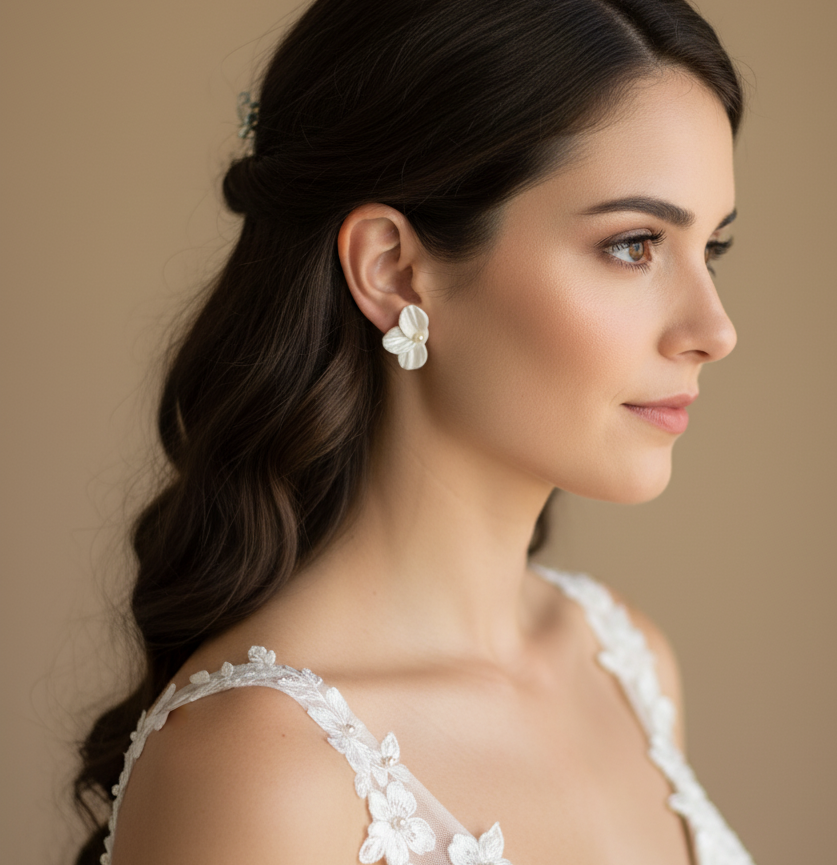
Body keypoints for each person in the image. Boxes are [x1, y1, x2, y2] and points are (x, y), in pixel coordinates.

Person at [72, 0, 754, 863]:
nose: (714, 328)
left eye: (713, 249)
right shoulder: (259, 770)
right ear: (393, 269)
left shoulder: (627, 662)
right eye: (633, 244)